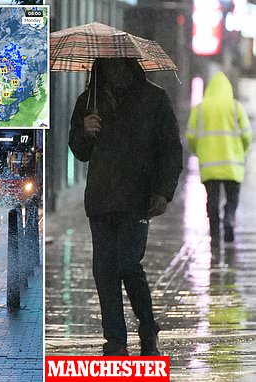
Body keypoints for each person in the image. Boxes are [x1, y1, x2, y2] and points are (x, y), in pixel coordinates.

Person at [69, 58, 183, 356]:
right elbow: (79, 152)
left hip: (136, 200)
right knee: (104, 272)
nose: (116, 72)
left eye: (121, 66)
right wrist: (85, 131)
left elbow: (171, 149)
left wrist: (162, 191)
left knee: (128, 265)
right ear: (101, 68)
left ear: (132, 66)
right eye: (110, 66)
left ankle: (148, 328)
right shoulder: (89, 101)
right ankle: (115, 343)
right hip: (101, 200)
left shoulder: (154, 99)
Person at [186, 72, 252, 247]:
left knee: (212, 199)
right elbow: (247, 135)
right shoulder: (236, 107)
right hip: (233, 165)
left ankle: (214, 232)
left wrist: (199, 152)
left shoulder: (200, 108)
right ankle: (229, 217)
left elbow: (191, 136)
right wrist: (241, 151)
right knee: (232, 198)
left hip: (209, 165)